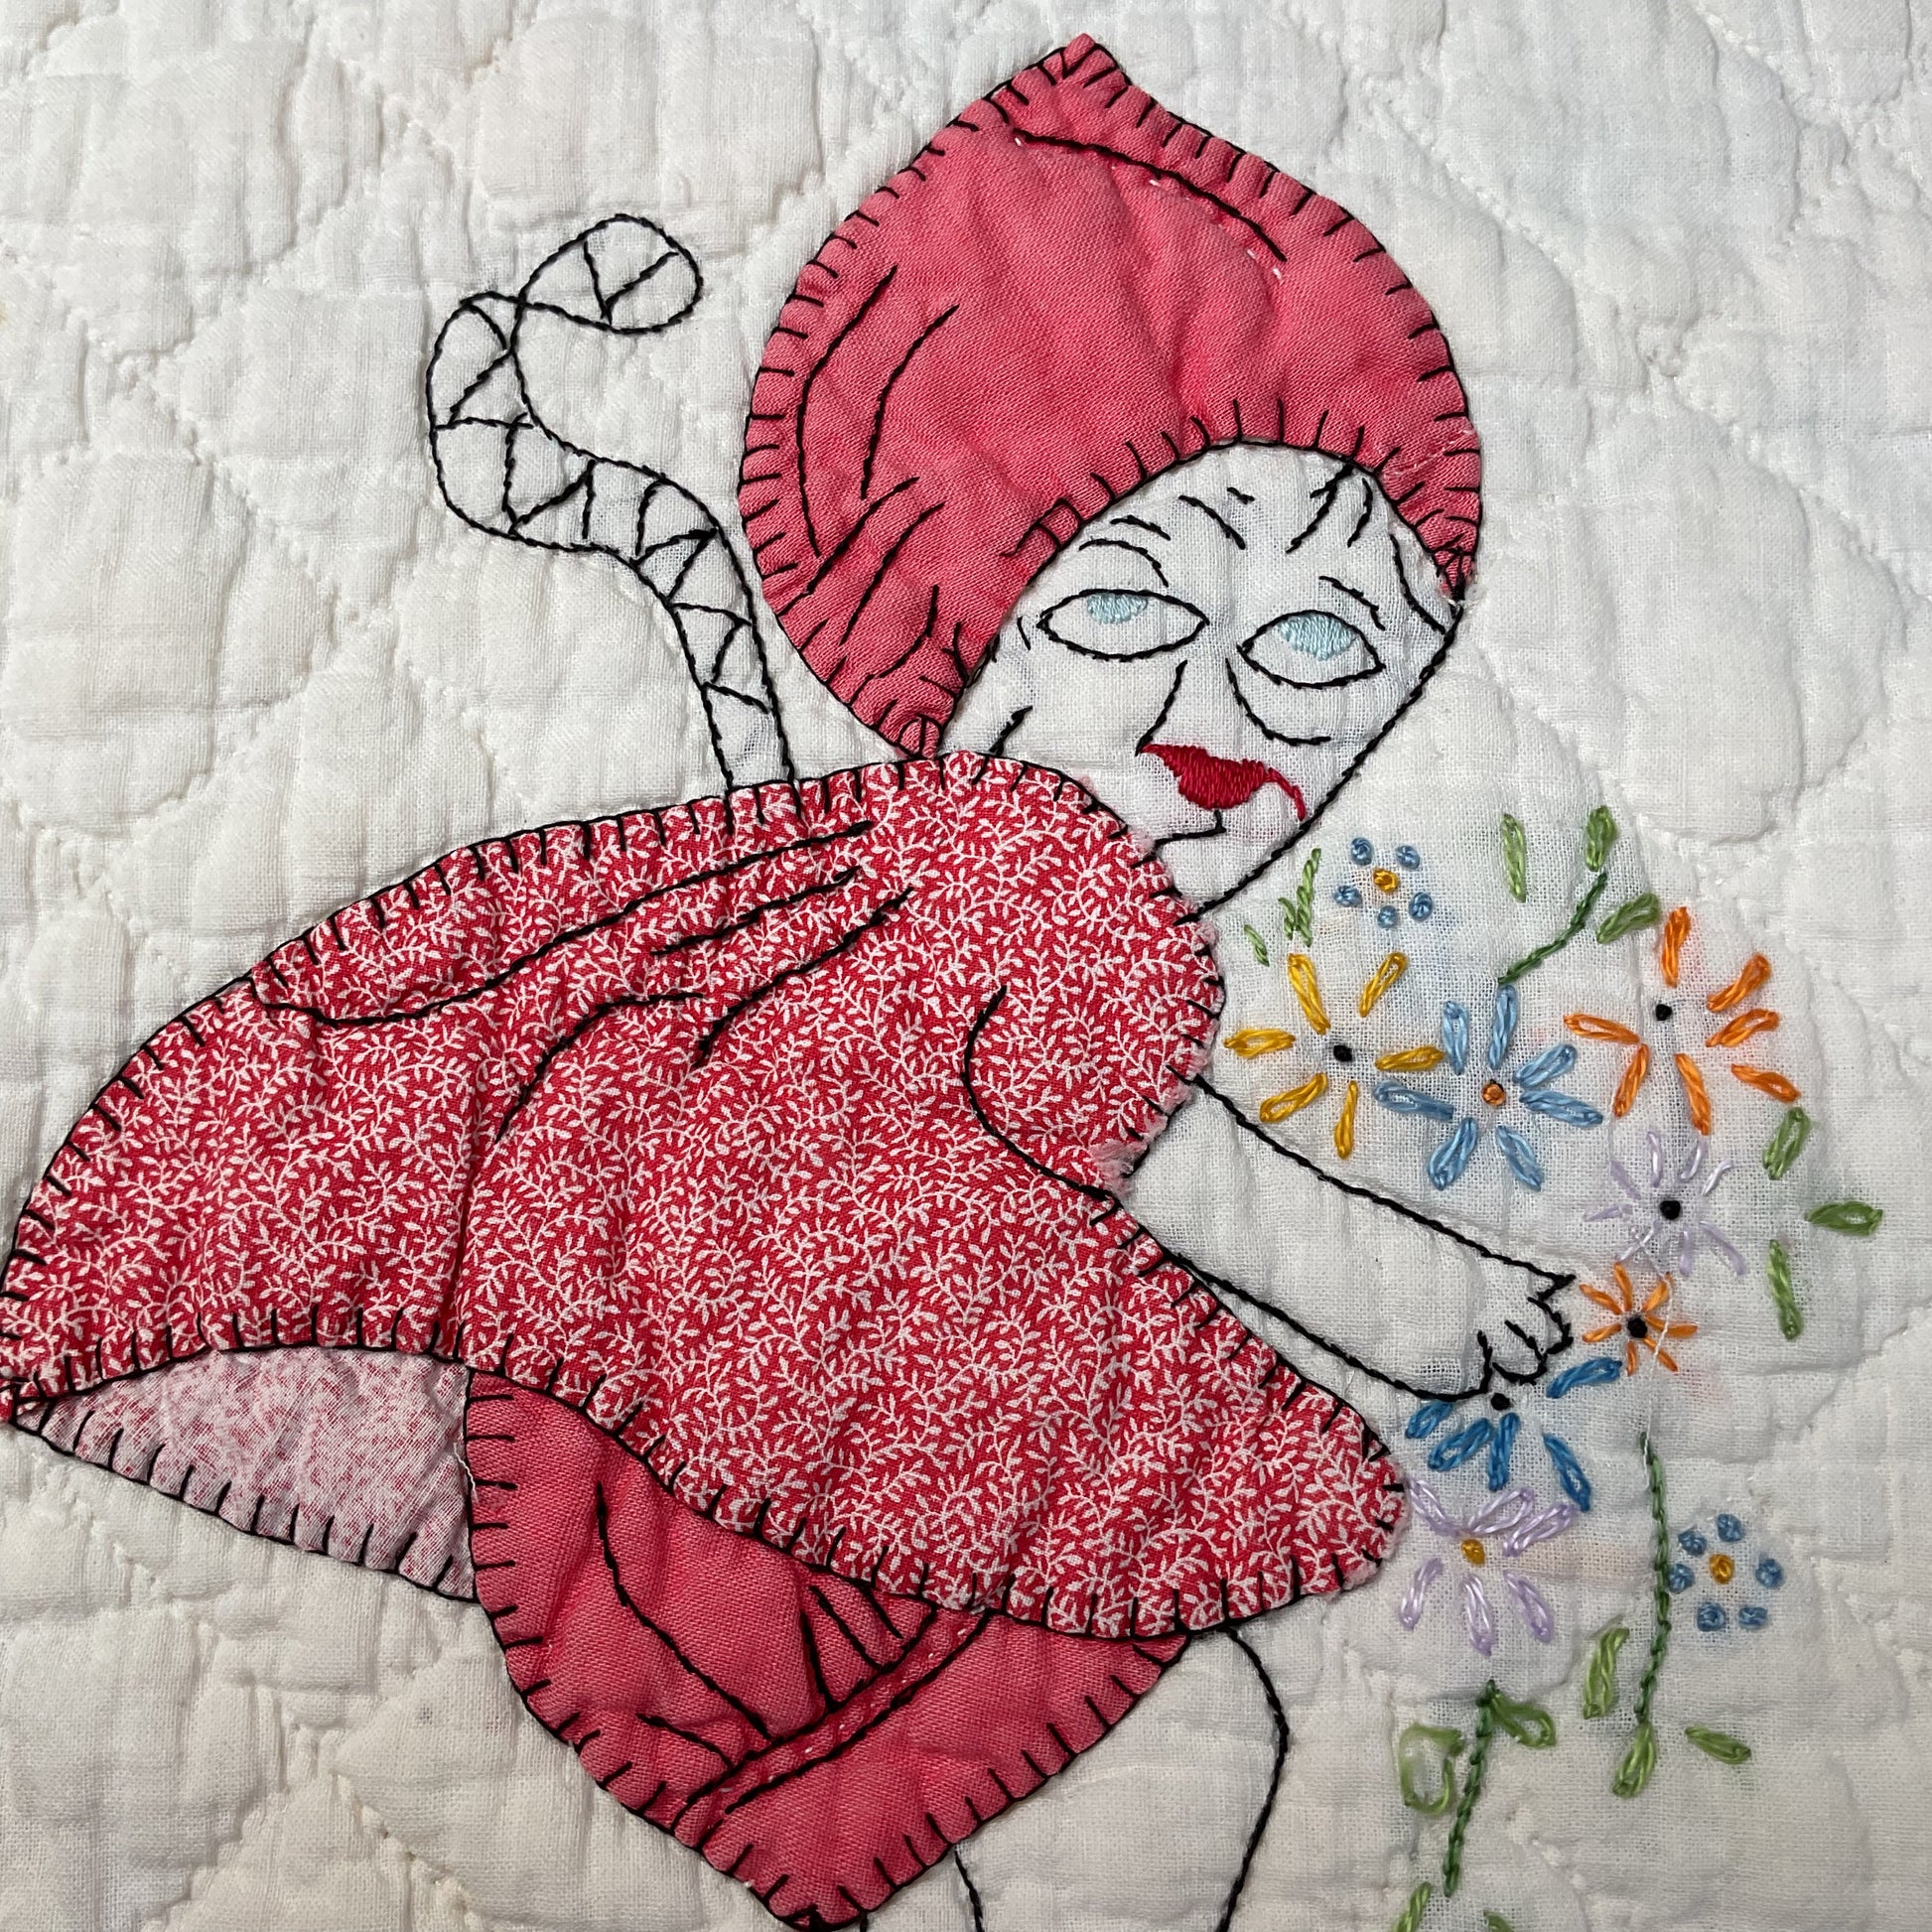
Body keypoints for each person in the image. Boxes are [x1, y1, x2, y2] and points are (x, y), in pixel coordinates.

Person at [0, 36, 1570, 1932]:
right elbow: (1202, 1172)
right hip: (751, 1495)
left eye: (1321, 647)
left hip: (752, 1473)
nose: (1214, 708)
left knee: (1097, 1783)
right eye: (1127, 609)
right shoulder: (1009, 870)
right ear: (955, 628)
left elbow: (1152, 1139)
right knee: (1161, 1753)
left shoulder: (920, 885)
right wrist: (1430, 1307)